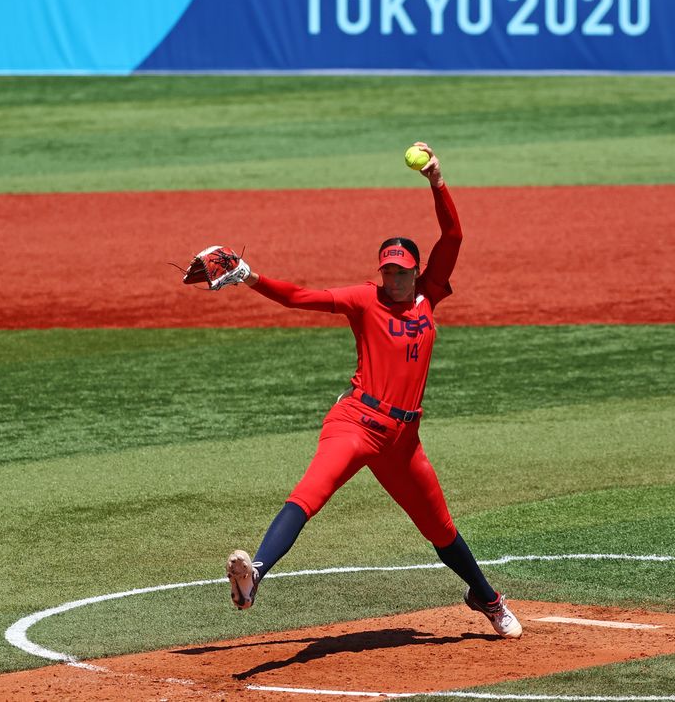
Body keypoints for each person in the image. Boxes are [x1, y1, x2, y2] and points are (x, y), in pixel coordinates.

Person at [222, 143, 522, 639]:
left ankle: (487, 600)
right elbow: (301, 297)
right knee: (309, 494)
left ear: (416, 270)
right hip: (356, 423)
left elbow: (454, 234)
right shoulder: (364, 299)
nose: (394, 278)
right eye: (388, 270)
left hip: (403, 441)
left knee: (440, 529)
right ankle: (253, 576)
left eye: (402, 270)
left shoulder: (431, 293)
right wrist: (251, 278)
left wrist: (437, 181)